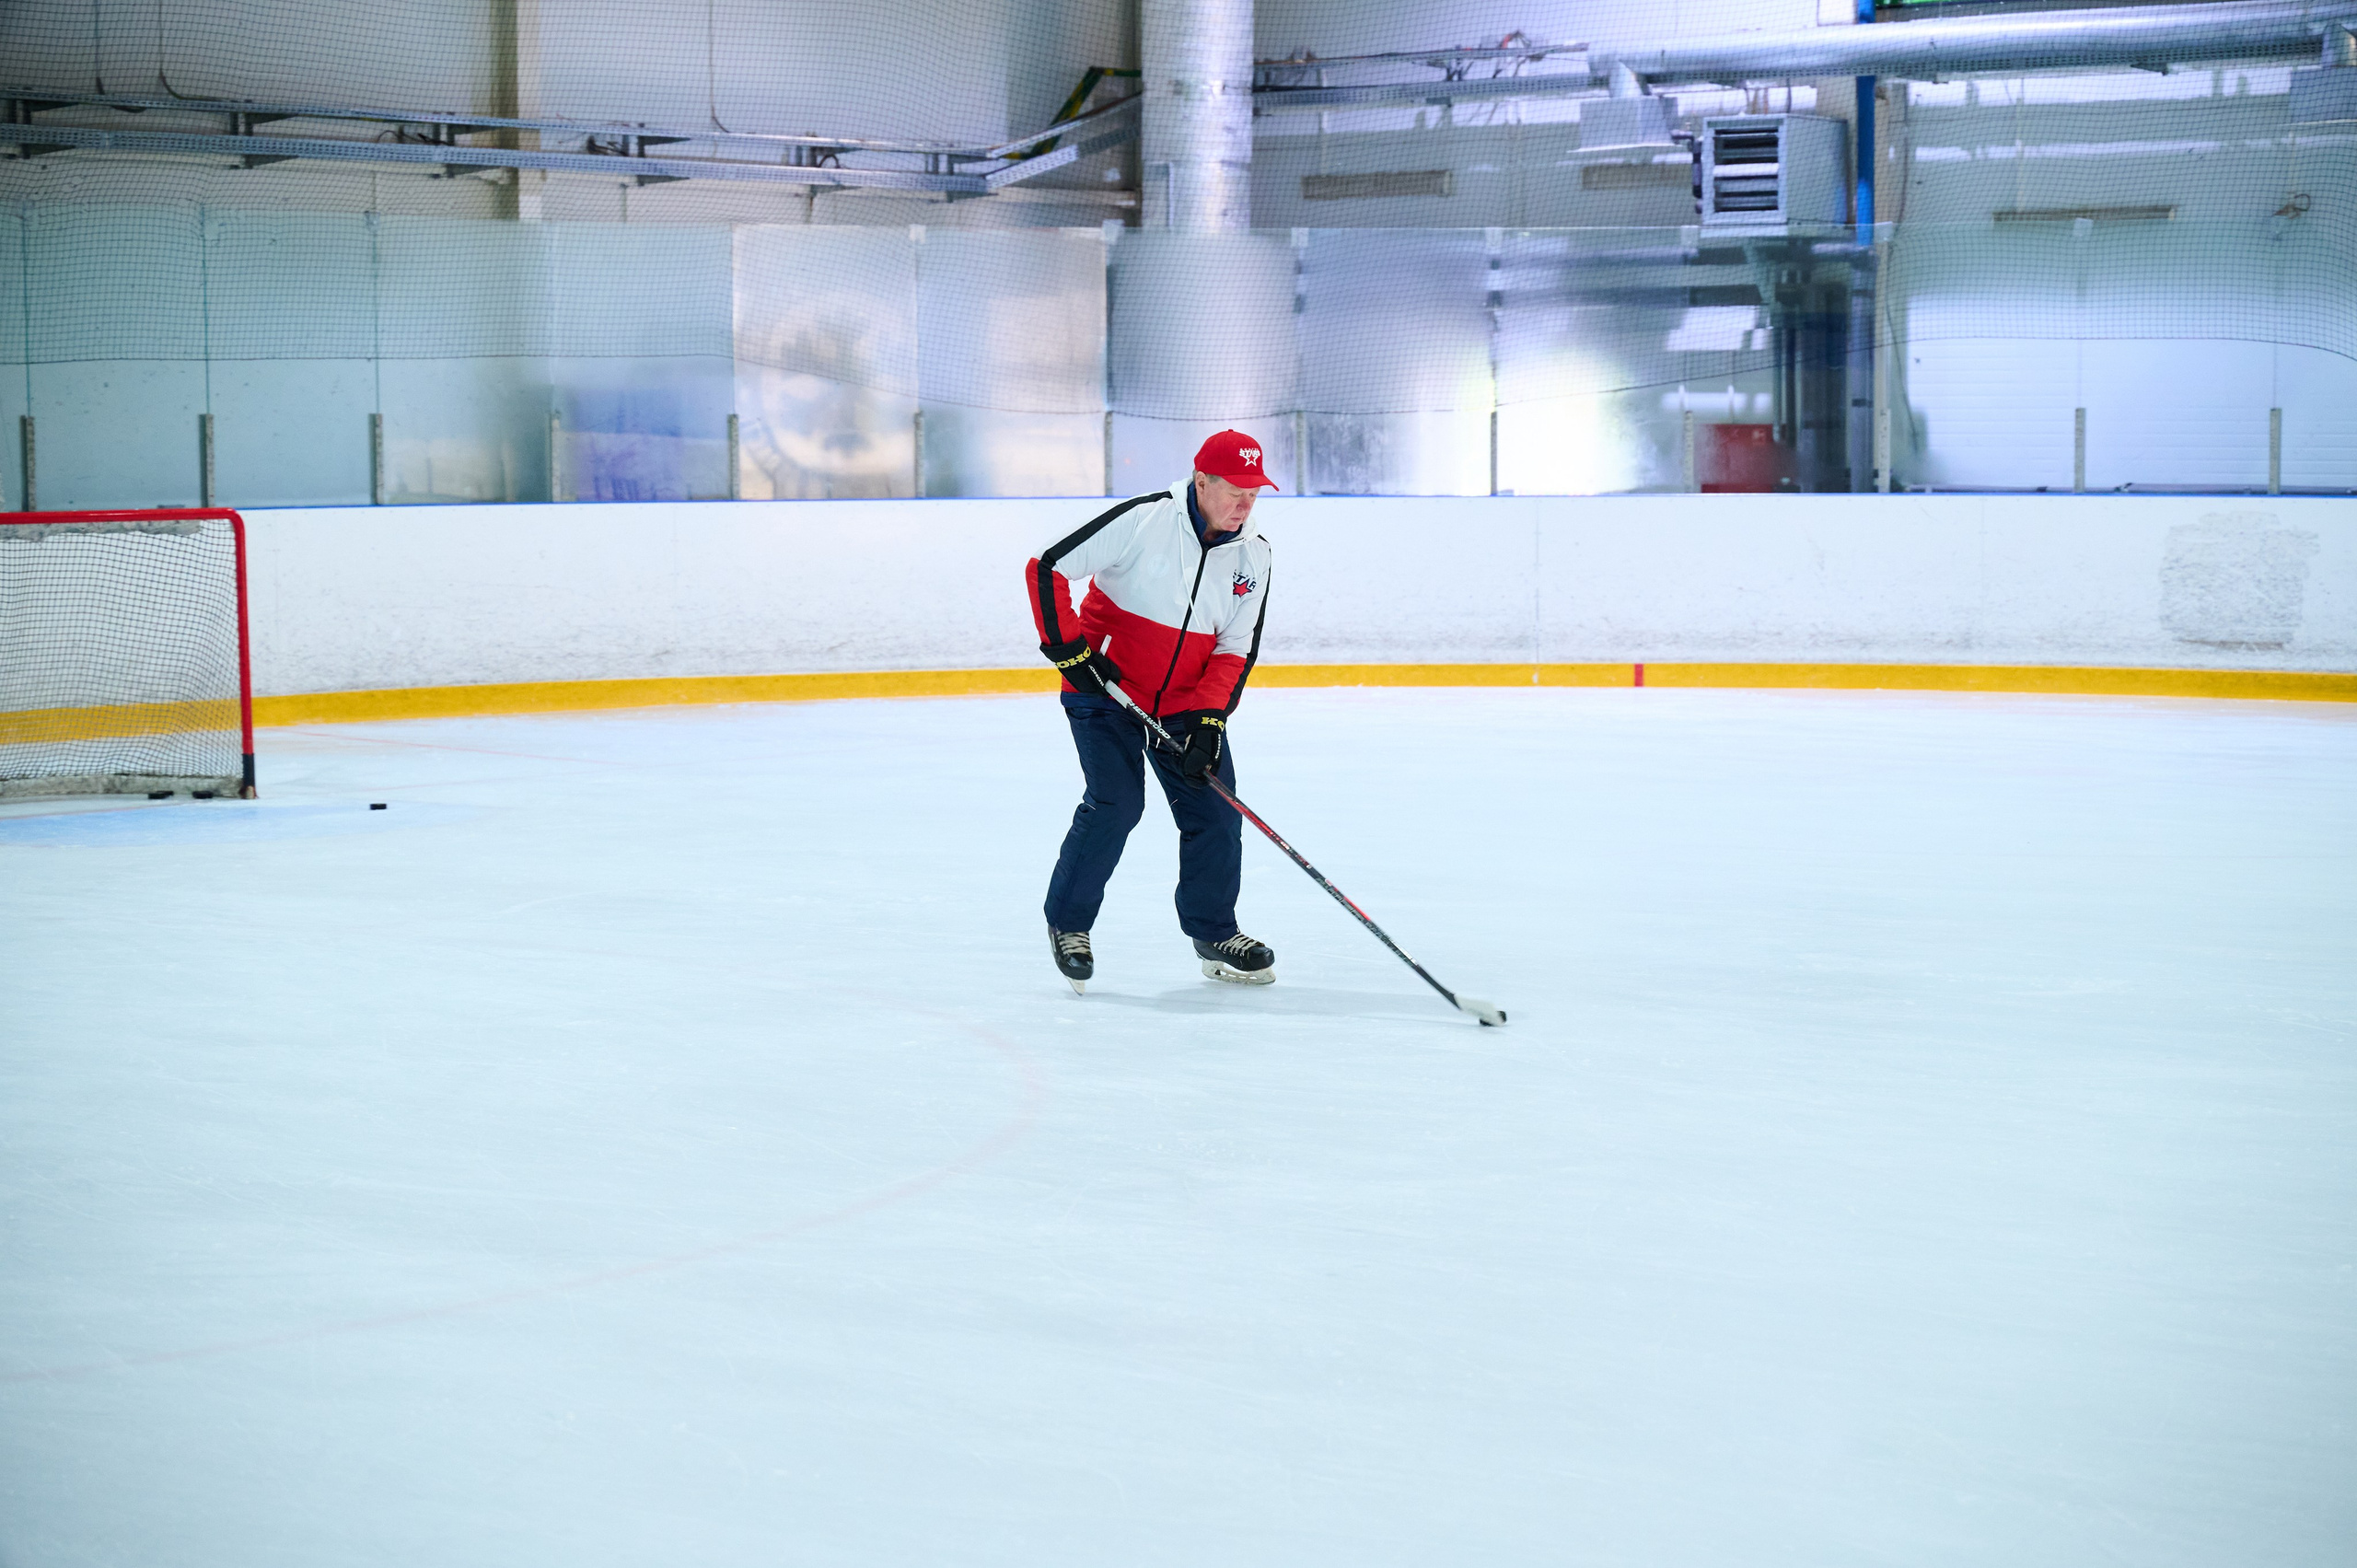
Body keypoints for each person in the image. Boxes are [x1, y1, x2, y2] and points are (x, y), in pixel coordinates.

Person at [1026, 430, 1278, 995]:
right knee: (1116, 803)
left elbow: (1235, 647)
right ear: (1202, 481)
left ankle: (1214, 931)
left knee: (1216, 812)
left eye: (1255, 493)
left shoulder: (1254, 553)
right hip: (1105, 688)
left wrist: (1211, 721)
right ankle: (1069, 923)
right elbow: (1046, 569)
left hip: (1186, 703)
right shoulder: (1143, 521)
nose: (1245, 504)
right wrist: (1071, 652)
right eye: (1235, 490)